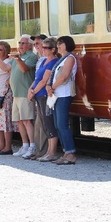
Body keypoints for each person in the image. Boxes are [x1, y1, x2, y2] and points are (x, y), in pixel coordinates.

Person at [28, 37, 62, 162]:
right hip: (38, 94)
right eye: (42, 47)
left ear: (53, 49)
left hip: (44, 95)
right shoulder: (44, 61)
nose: (42, 49)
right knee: (44, 122)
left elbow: (44, 80)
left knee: (48, 122)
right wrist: (31, 90)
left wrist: (33, 92)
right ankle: (48, 152)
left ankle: (52, 152)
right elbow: (37, 78)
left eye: (46, 48)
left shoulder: (53, 62)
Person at [46, 35, 78, 165]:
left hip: (64, 95)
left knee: (62, 125)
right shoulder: (62, 59)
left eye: (61, 43)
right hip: (57, 94)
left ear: (68, 45)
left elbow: (64, 76)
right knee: (58, 125)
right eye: (58, 43)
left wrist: (51, 87)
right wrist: (49, 87)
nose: (58, 45)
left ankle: (70, 153)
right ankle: (66, 152)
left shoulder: (70, 58)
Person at [10, 35, 38, 158]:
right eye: (19, 43)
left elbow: (24, 69)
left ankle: (32, 146)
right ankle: (25, 145)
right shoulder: (18, 57)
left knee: (27, 120)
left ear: (29, 45)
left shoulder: (31, 56)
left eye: (23, 43)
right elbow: (8, 69)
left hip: (24, 93)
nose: (20, 45)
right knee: (19, 121)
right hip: (16, 94)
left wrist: (17, 59)